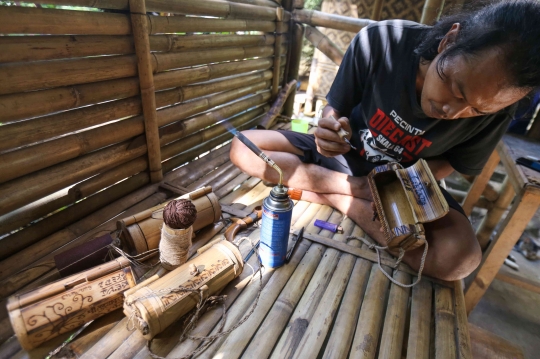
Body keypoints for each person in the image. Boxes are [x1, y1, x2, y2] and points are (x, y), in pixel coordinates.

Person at [230, 0, 540, 281]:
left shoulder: (500, 112)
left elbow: (452, 164)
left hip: (403, 184)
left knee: (459, 259)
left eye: (476, 109)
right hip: (344, 157)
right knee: (244, 148)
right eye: (457, 90)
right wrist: (329, 128)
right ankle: (352, 194)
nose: (452, 111)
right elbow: (334, 109)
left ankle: (331, 196)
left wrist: (400, 185)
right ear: (449, 41)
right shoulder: (383, 41)